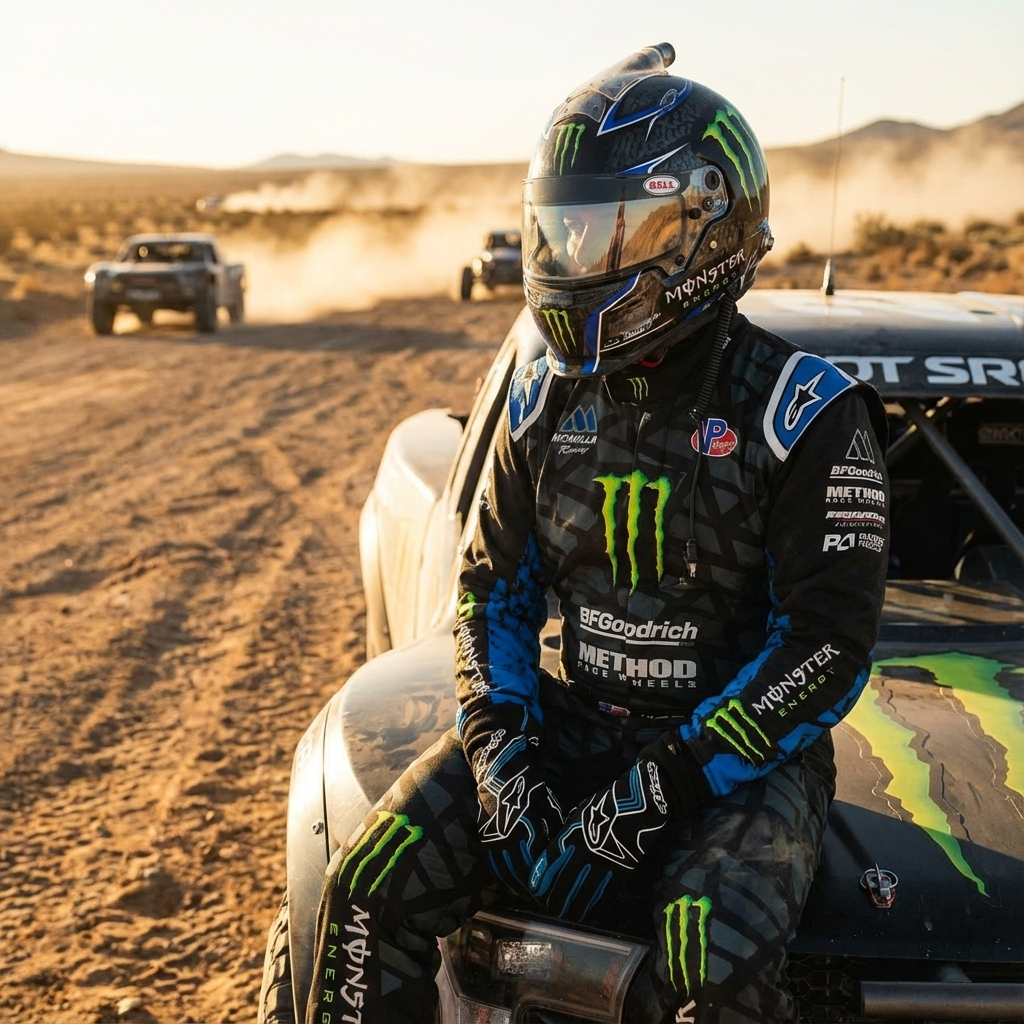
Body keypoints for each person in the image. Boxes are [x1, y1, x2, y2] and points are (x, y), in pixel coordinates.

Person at [307, 42, 889, 1024]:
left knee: (707, 959)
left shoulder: (806, 410)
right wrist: (501, 759)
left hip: (739, 759)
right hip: (574, 720)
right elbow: (491, 591)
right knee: (367, 887)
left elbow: (827, 644)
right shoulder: (541, 397)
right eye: (562, 233)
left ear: (705, 230)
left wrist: (667, 783)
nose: (576, 263)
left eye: (607, 234)